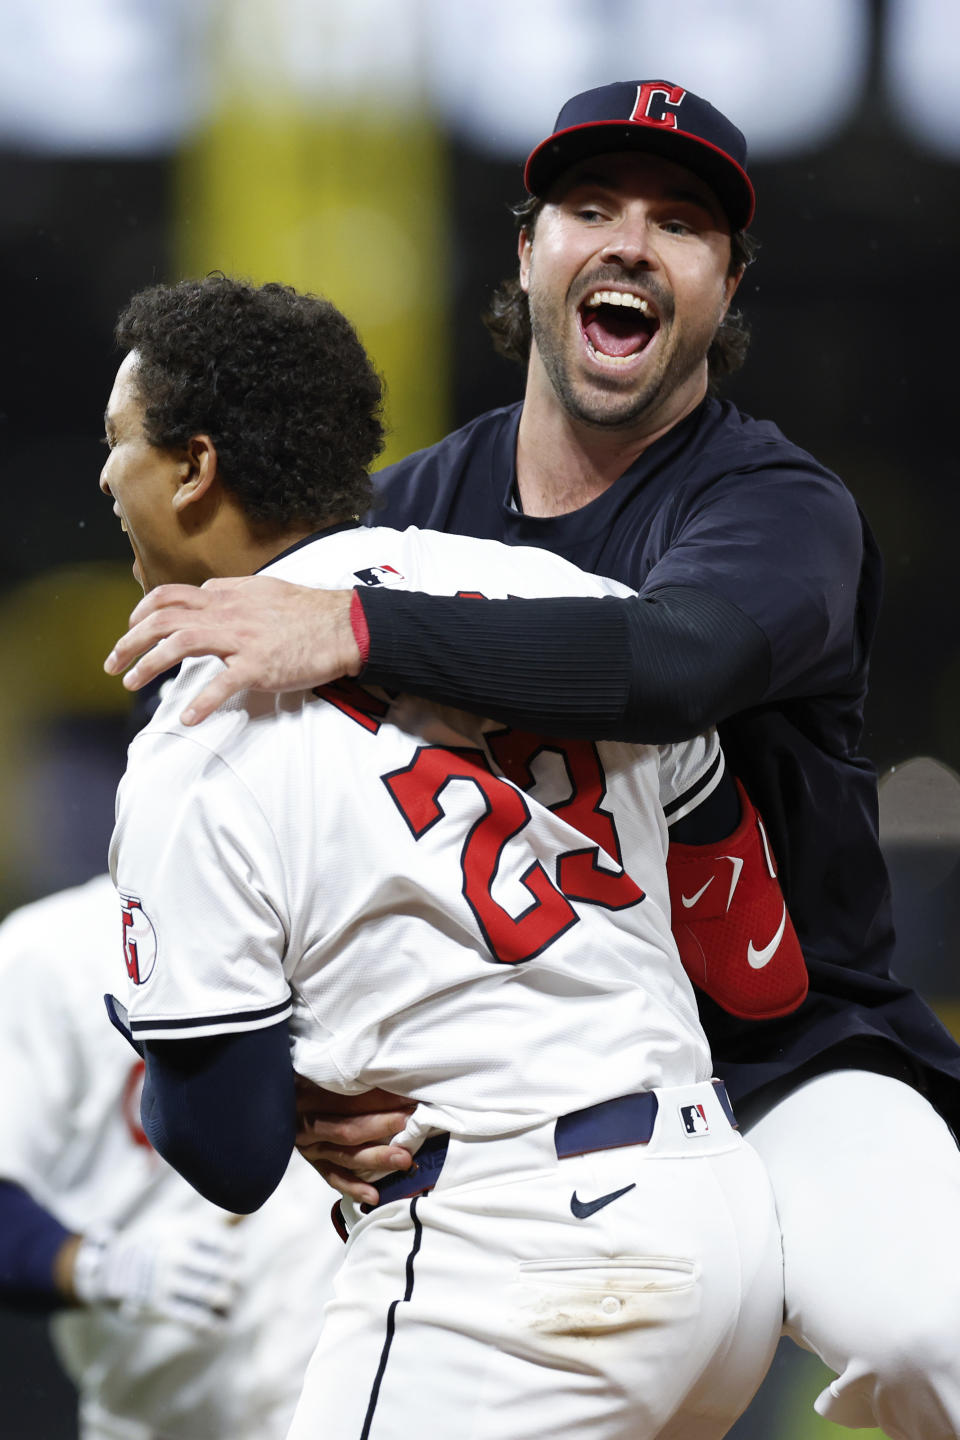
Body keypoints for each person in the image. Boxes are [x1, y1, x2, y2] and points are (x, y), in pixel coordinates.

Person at [103, 81, 960, 1440]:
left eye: (679, 223)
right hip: (522, 1099)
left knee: (934, 1338)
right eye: (590, 207)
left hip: (783, 1058)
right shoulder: (415, 510)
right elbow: (276, 840)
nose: (628, 241)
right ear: (526, 251)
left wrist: (357, 625)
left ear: (727, 284)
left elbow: (677, 667)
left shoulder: (773, 504)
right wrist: (304, 1075)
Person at [100, 273, 785, 1440]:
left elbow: (229, 1154)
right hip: (719, 1233)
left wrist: (278, 1083)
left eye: (120, 442)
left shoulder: (204, 727)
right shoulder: (561, 601)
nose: (107, 476)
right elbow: (754, 958)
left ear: (194, 468)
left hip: (506, 1263)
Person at [0, 871, 341, 1440]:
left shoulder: (329, 912)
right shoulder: (45, 953)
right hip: (163, 1413)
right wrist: (101, 1266)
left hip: (350, 1390)